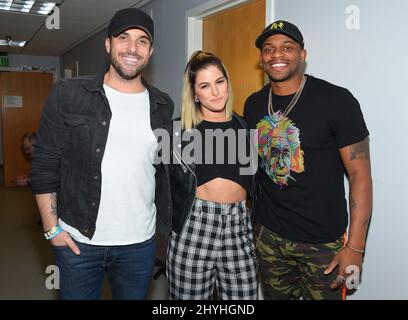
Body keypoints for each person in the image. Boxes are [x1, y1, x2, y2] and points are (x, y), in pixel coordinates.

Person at [31, 8, 174, 300]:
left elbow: (161, 170)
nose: (132, 48)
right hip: (79, 241)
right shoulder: (67, 94)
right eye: (124, 38)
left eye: (142, 40)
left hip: (139, 245)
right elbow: (45, 165)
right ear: (108, 44)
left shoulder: (162, 104)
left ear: (151, 51)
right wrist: (50, 228)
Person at [244, 20, 372, 300]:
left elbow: (360, 175)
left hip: (323, 244)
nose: (277, 54)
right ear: (261, 58)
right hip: (269, 236)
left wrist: (356, 248)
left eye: (287, 47)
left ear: (302, 54)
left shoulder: (337, 100)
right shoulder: (253, 104)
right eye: (269, 49)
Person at [166, 51, 258, 300]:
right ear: (194, 93)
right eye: (205, 86)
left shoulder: (245, 127)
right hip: (194, 227)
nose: (216, 92)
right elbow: (159, 185)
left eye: (219, 82)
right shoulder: (177, 132)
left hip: (237, 225)